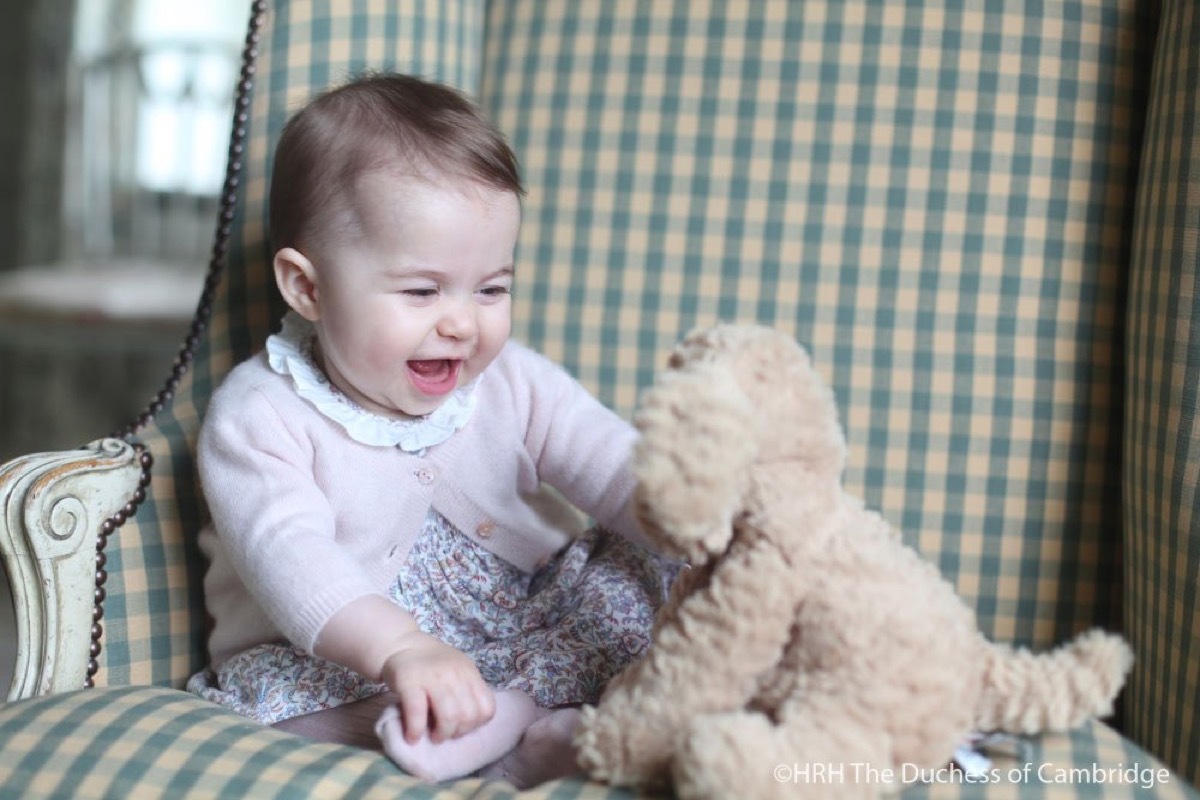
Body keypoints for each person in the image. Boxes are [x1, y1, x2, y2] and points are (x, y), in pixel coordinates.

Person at [186, 72, 674, 788]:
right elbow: (290, 556)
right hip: (351, 648)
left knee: (643, 581)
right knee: (287, 708)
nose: (461, 321)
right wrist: (402, 649)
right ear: (309, 287)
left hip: (526, 609)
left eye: (492, 288)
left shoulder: (512, 382)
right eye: (422, 290)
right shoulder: (258, 417)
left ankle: (529, 717)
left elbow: (609, 462)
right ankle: (497, 734)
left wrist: (693, 519)